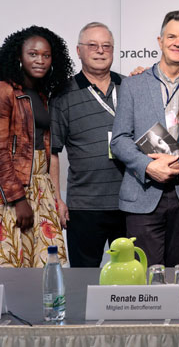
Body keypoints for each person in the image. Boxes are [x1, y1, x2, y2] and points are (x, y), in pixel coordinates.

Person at [111, 10, 179, 267]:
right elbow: (119, 140)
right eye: (171, 36)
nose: (177, 43)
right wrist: (148, 166)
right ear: (160, 41)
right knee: (145, 279)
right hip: (142, 193)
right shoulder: (133, 85)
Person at [0, 26, 73, 267]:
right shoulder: (2, 92)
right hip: (11, 190)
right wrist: (18, 200)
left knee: (47, 265)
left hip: (41, 187)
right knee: (12, 263)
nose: (40, 60)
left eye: (46, 55)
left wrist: (55, 199)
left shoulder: (42, 94)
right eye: (33, 54)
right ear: (19, 56)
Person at [49, 22, 126, 267]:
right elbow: (53, 152)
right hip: (84, 206)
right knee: (83, 280)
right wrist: (57, 200)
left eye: (106, 46)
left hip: (130, 202)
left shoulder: (131, 87)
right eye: (92, 45)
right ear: (78, 51)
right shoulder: (62, 94)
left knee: (131, 278)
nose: (100, 51)